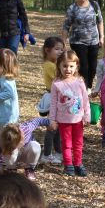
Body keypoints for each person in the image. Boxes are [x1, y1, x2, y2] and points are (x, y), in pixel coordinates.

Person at [49, 51, 91, 177]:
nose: (68, 69)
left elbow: (85, 99)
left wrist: (87, 115)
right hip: (63, 120)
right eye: (65, 66)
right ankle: (68, 165)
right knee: (66, 144)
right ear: (59, 67)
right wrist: (52, 120)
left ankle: (78, 164)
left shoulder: (79, 81)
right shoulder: (57, 84)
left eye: (71, 66)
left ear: (76, 67)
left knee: (78, 143)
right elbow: (53, 103)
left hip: (78, 119)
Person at [61, 0, 104, 91]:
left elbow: (100, 21)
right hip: (78, 41)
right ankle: (84, 88)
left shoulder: (94, 5)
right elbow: (66, 26)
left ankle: (88, 85)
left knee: (93, 67)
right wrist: (64, 41)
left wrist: (102, 36)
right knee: (84, 66)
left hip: (94, 40)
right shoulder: (72, 8)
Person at [38, 37, 64, 165]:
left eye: (62, 49)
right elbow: (60, 78)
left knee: (57, 127)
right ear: (47, 50)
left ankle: (58, 151)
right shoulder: (49, 65)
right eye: (57, 49)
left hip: (58, 98)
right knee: (52, 127)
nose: (60, 52)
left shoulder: (54, 64)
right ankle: (47, 154)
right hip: (52, 98)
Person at [0, 49, 20, 134]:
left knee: (7, 139)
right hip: (3, 115)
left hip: (7, 118)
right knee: (5, 138)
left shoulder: (7, 80)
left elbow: (9, 93)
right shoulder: (2, 78)